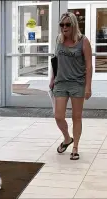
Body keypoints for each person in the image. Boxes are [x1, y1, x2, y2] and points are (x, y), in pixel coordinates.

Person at [49, 12, 92, 160]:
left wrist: (88, 87)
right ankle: (67, 138)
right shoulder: (58, 40)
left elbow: (89, 66)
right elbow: (55, 61)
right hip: (61, 82)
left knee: (76, 117)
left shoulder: (83, 41)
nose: (64, 27)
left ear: (74, 25)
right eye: (62, 25)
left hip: (77, 83)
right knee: (58, 116)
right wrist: (52, 78)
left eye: (67, 24)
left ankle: (75, 147)